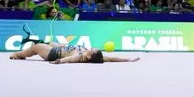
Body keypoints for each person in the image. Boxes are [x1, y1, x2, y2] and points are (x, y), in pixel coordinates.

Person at [9, 41, 138, 64]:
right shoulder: (97, 57)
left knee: (36, 47)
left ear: (89, 56)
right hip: (59, 47)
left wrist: (58, 61)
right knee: (52, 42)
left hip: (53, 54)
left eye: (93, 50)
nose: (93, 48)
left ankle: (18, 55)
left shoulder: (80, 56)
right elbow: (112, 58)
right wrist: (128, 59)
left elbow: (69, 60)